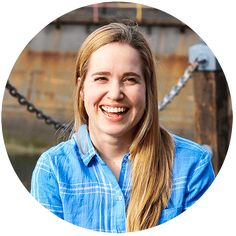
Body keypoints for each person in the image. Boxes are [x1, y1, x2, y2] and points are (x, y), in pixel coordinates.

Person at [31, 22, 215, 233]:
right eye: (101, 78)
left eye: (130, 79)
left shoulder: (191, 166)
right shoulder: (53, 170)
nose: (115, 93)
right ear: (81, 89)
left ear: (148, 89)